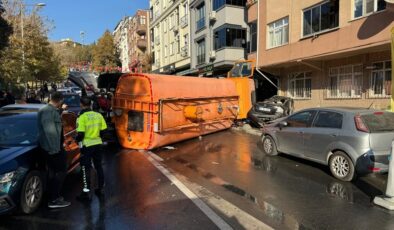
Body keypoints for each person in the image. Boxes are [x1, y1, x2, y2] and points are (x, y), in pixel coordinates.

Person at [37, 92, 71, 209]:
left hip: (53, 147)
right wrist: (54, 149)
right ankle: (54, 200)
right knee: (61, 171)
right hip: (53, 148)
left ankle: (53, 196)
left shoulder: (50, 110)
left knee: (53, 173)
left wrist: (60, 111)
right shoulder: (47, 111)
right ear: (60, 100)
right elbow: (50, 132)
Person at [76, 96, 107, 201]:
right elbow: (104, 130)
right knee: (99, 167)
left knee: (86, 168)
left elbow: (80, 134)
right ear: (90, 104)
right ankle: (100, 188)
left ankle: (86, 192)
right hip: (98, 144)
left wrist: (77, 140)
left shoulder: (82, 117)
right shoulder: (98, 115)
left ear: (81, 104)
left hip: (87, 146)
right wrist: (98, 138)